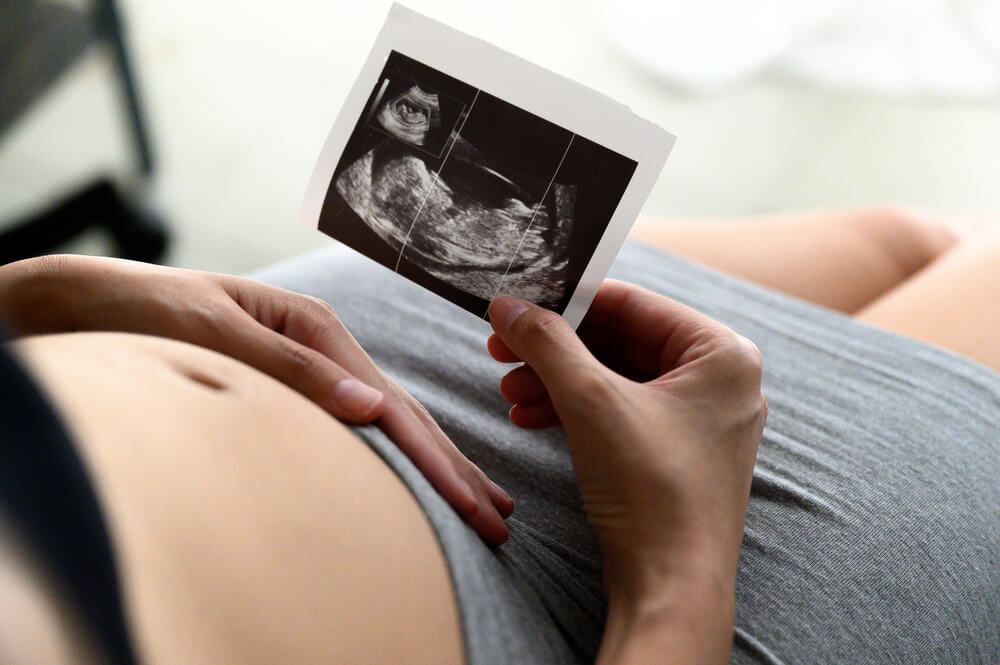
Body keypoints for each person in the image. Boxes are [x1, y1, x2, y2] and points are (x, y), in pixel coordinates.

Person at [0, 206, 997, 664]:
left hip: (345, 349)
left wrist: (44, 293)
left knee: (909, 241)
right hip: (609, 606)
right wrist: (679, 571)